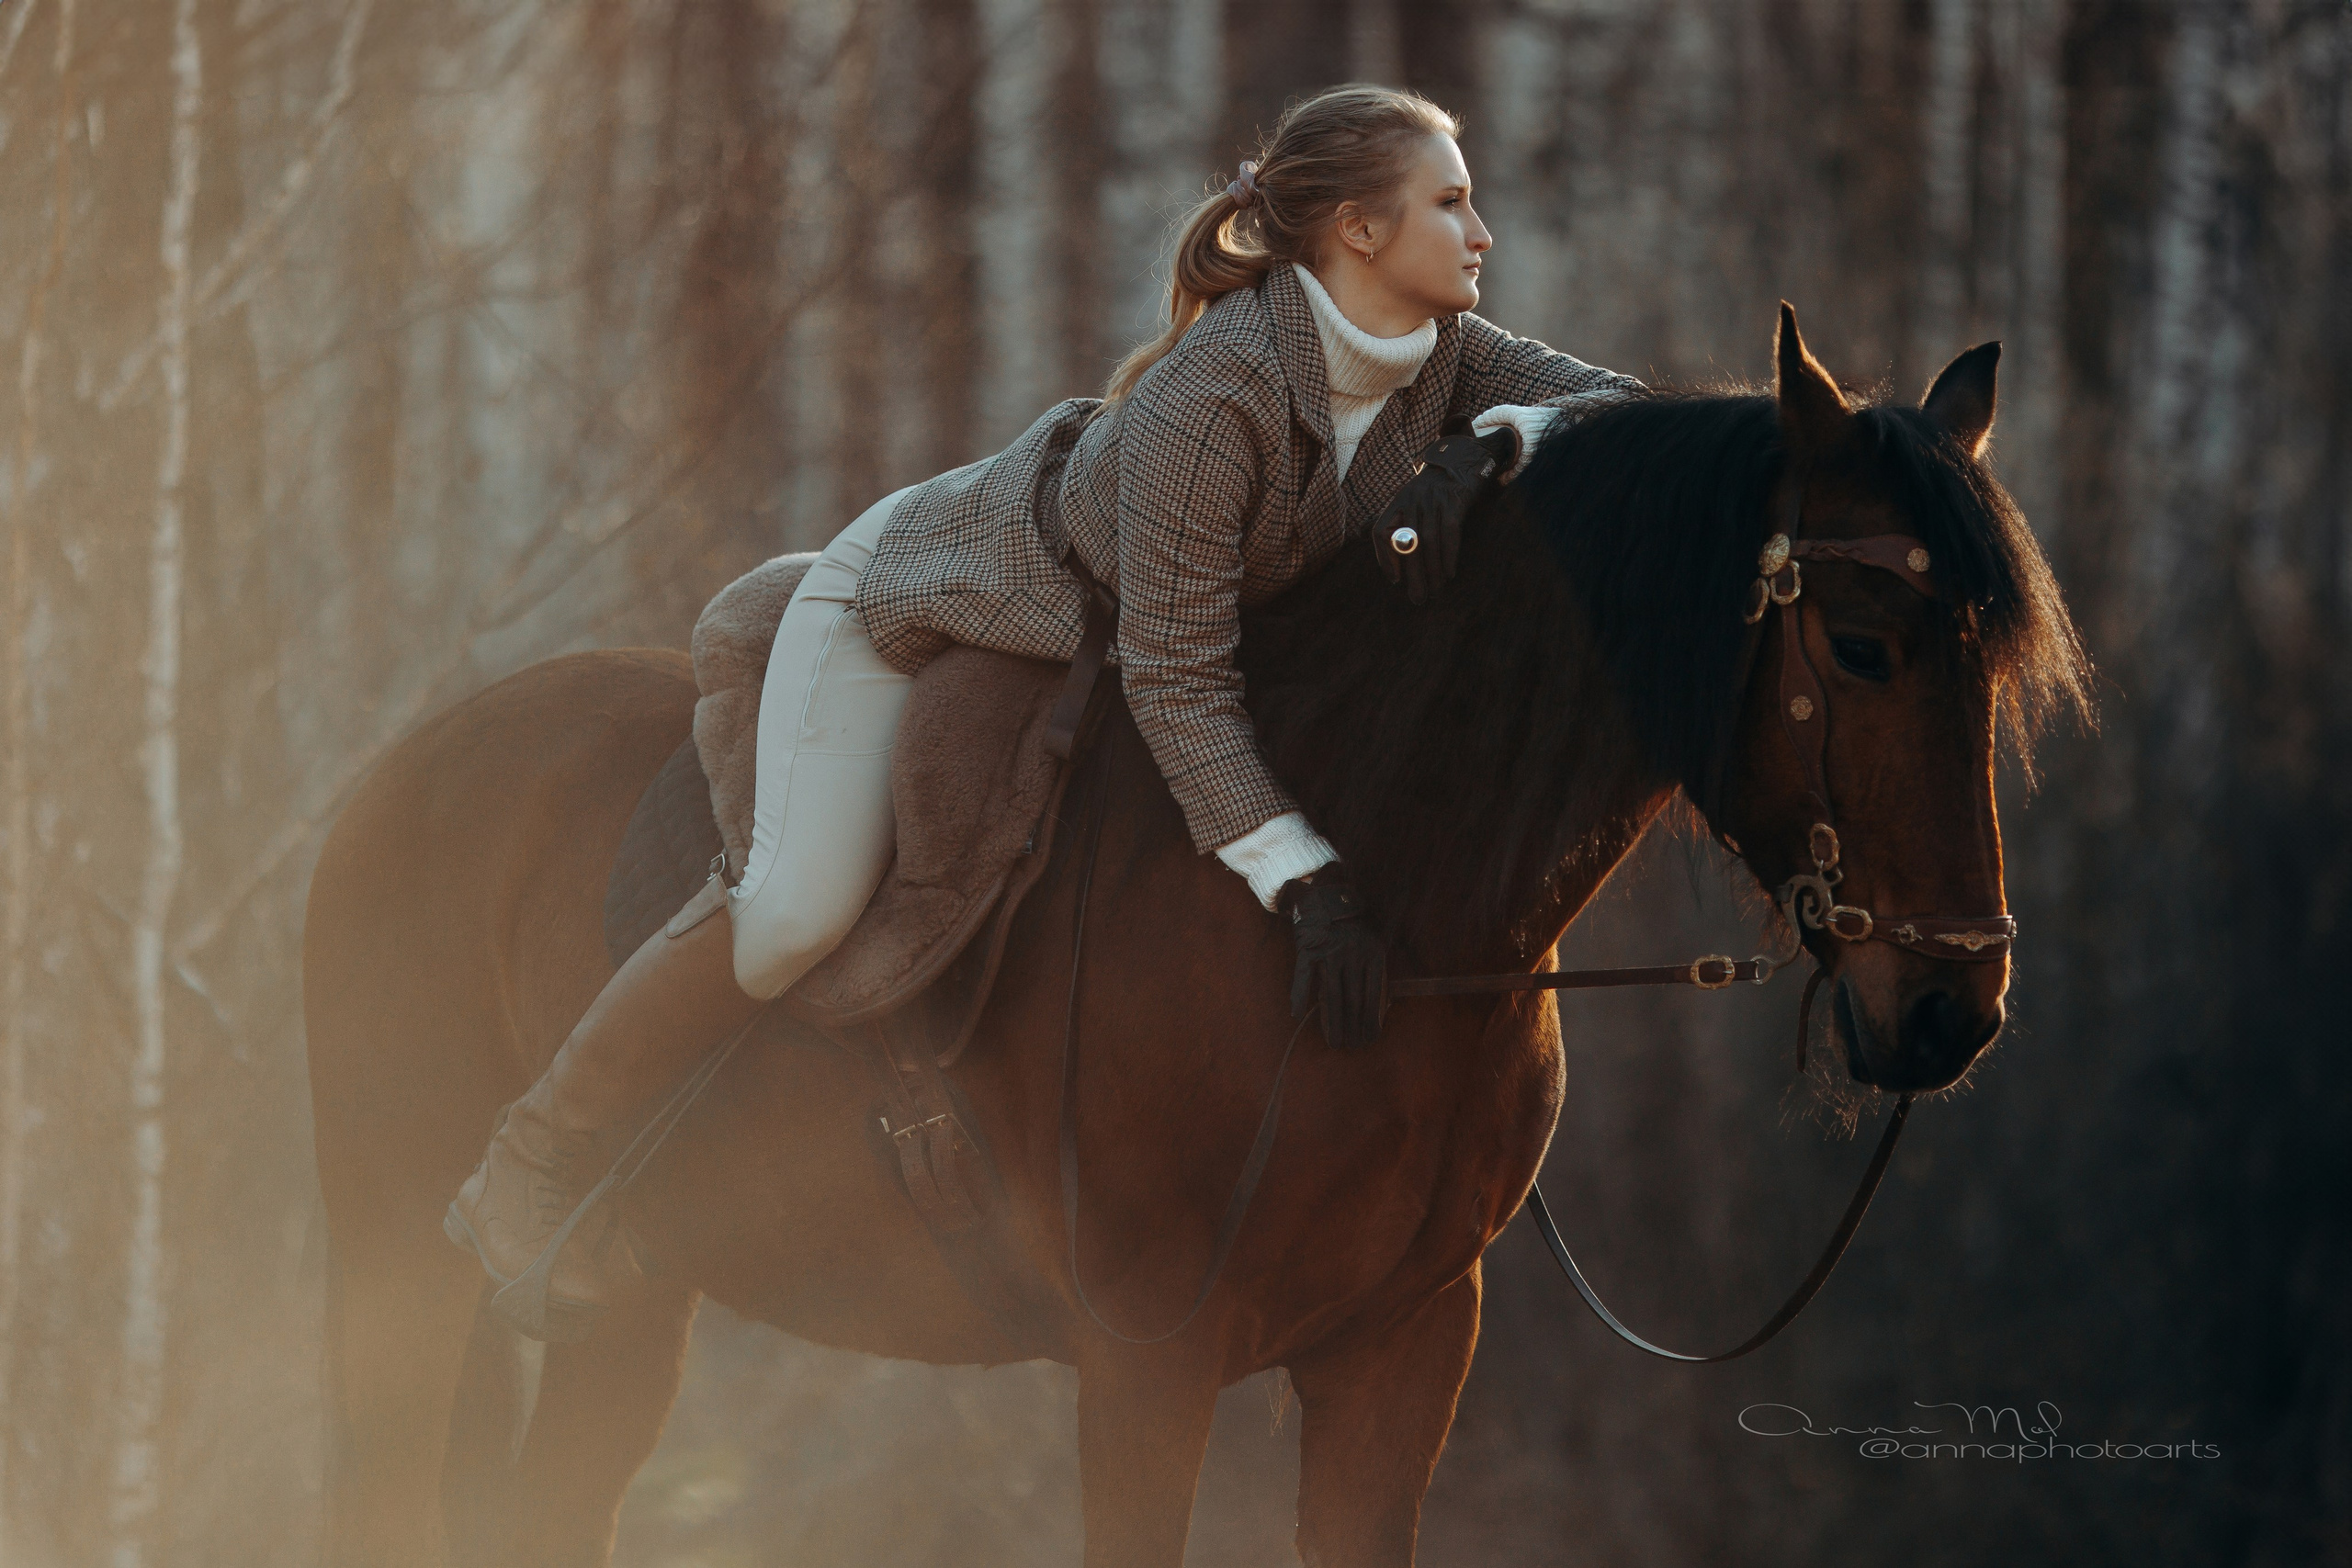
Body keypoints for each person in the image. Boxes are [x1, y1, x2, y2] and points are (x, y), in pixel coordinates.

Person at [446, 83, 1642, 1341]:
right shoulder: (1215, 398)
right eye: (1451, 202)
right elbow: (1184, 682)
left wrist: (1494, 447)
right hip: (920, 601)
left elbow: (1634, 420)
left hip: (1099, 647)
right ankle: (533, 1159)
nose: (1480, 232)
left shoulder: (1449, 355)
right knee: (787, 918)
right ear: (1355, 229)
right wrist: (1306, 883)